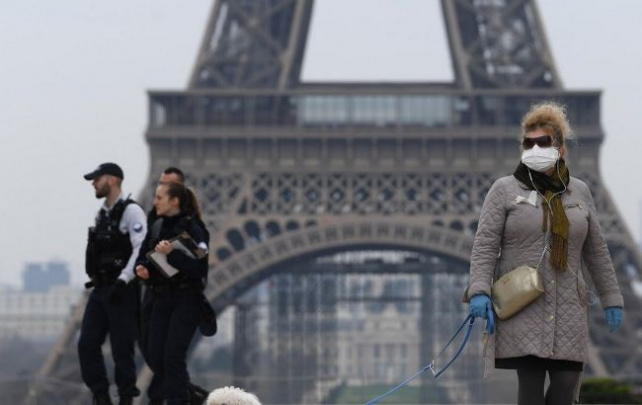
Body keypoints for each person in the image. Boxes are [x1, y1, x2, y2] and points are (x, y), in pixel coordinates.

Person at [465, 102, 624, 405]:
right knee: (531, 388)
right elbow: (485, 244)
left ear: (560, 149)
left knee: (566, 385)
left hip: (568, 306)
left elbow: (596, 251)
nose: (535, 148)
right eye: (529, 143)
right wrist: (479, 291)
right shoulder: (504, 189)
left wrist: (612, 297)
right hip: (524, 302)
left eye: (543, 142)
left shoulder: (579, 192)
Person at [139, 167, 212, 405]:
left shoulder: (194, 229)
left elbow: (199, 269)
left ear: (174, 201)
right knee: (155, 356)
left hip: (185, 299)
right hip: (161, 298)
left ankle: (177, 399)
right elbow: (145, 257)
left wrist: (172, 254)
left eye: (159, 197)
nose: (155, 202)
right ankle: (191, 395)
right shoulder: (157, 226)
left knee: (172, 357)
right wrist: (143, 270)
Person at [78, 162, 147, 405]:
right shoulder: (103, 214)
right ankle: (101, 395)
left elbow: (141, 248)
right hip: (101, 289)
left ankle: (126, 398)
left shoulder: (132, 212)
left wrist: (124, 279)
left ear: (113, 180)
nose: (93, 183)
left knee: (122, 349)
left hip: (121, 290)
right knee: (87, 343)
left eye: (97, 179)